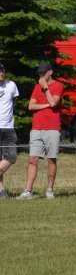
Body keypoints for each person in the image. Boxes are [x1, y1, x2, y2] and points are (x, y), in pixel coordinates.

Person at [20, 62, 63, 200]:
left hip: (52, 128)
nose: (41, 75)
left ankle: (50, 189)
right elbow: (31, 107)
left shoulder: (58, 86)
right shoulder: (36, 87)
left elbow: (54, 102)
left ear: (50, 72)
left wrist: (45, 88)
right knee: (32, 159)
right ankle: (28, 190)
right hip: (37, 128)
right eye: (39, 73)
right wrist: (46, 105)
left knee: (51, 159)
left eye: (43, 73)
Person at [0, 62, 19, 198]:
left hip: (8, 127)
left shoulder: (11, 85)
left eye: (2, 70)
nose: (1, 73)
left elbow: (15, 103)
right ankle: (1, 191)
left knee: (11, 157)